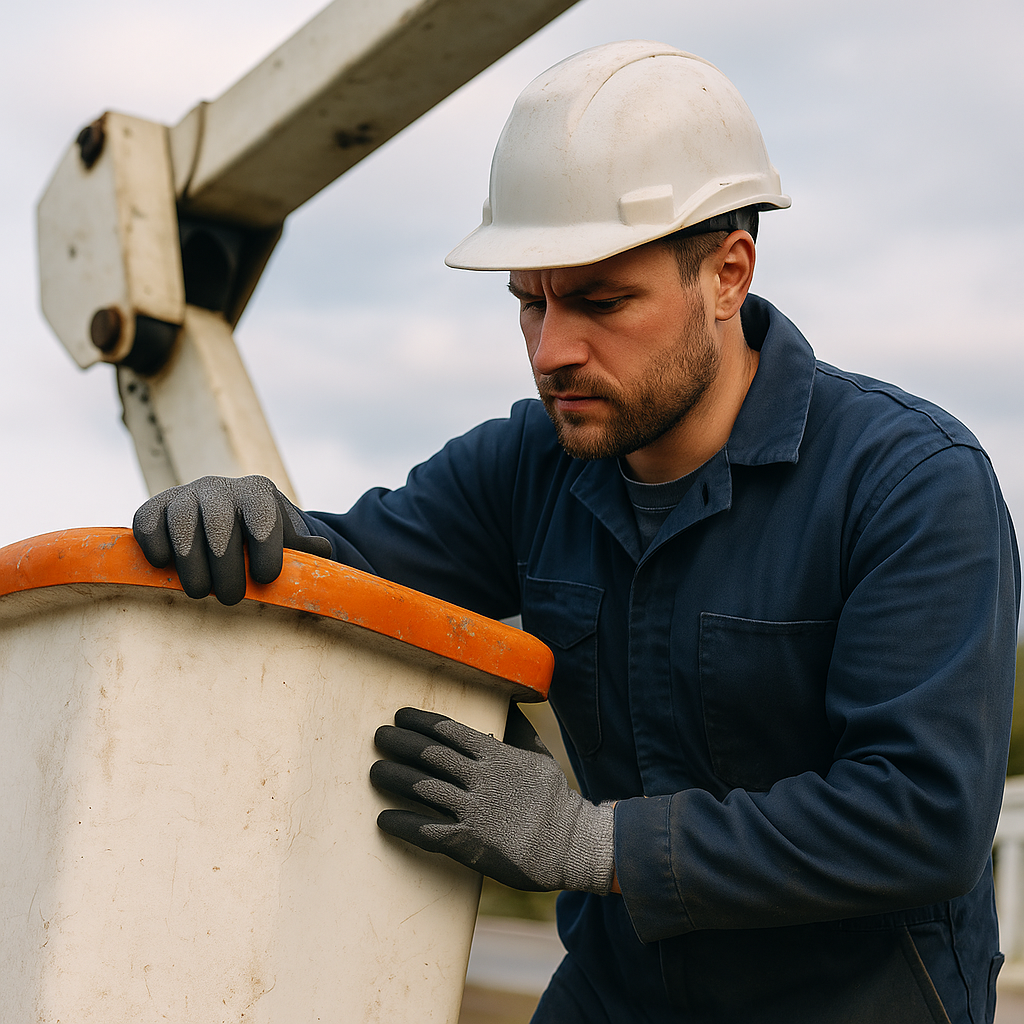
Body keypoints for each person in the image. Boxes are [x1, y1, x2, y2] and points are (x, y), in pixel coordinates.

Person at [133, 41, 1020, 1023]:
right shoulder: (529, 467)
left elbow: (919, 814)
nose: (552, 350)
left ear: (726, 275)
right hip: (622, 991)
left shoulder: (909, 484)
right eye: (528, 302)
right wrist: (249, 523)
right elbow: (348, 577)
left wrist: (591, 843)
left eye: (600, 300)